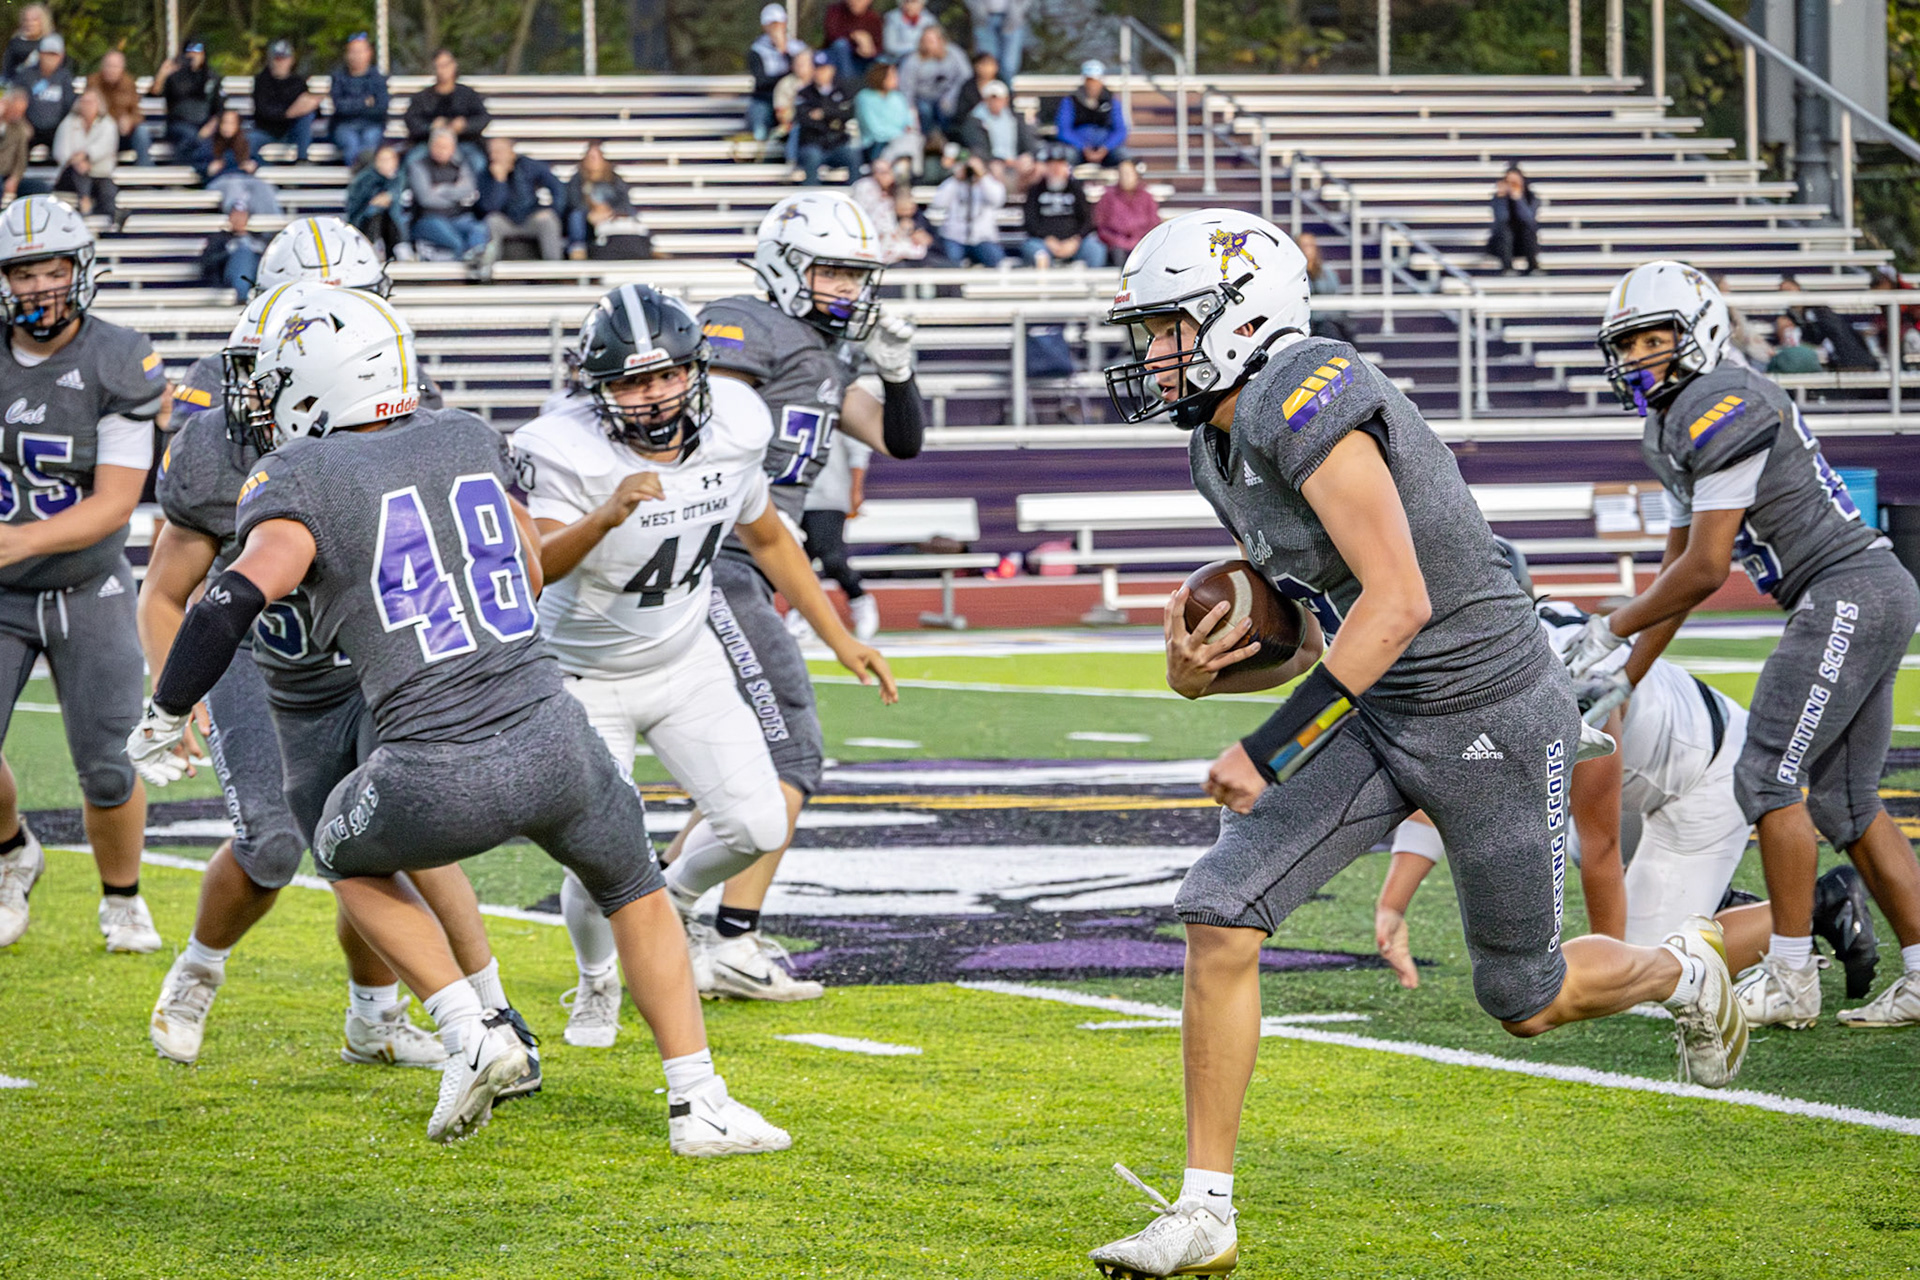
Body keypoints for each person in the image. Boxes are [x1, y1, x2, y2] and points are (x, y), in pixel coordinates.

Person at [1088, 211, 1750, 1277]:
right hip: (1383, 708)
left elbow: (1398, 600)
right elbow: (1319, 636)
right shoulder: (1216, 447)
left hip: (1493, 707)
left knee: (1524, 998)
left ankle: (1682, 969)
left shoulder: (1307, 391)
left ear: (1241, 315)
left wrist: (1268, 748)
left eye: (1169, 327)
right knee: (1220, 905)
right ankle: (1205, 1210)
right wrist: (1206, 674)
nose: (1153, 352)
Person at [126, 286, 790, 1153]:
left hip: (433, 765)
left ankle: (468, 1029)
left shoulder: (299, 475)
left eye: (277, 378)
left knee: (339, 850)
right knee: (636, 890)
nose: (263, 397)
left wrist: (168, 706)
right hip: (559, 737)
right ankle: (699, 1101)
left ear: (320, 382)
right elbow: (530, 565)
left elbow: (229, 601)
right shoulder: (468, 435)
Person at [139, 281, 537, 1086]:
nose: (252, 397)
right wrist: (171, 695)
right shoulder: (217, 449)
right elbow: (168, 593)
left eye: (271, 377)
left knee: (404, 828)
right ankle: (199, 969)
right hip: (261, 662)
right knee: (274, 844)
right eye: (254, 373)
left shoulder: (404, 423)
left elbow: (513, 557)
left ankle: (423, 1016)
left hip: (372, 658)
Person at [516, 285, 896, 1040]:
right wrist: (606, 515)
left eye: (666, 375)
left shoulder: (736, 422)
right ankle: (596, 981)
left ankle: (673, 900)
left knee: (757, 824)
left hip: (685, 661)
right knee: (604, 852)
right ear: (596, 388)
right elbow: (535, 568)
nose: (654, 396)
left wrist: (838, 635)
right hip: (582, 676)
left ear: (696, 369)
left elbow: (769, 537)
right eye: (631, 382)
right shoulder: (559, 447)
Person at [1572, 260, 1920, 1030]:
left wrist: (1611, 627)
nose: (1638, 358)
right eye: (1627, 345)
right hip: (1862, 589)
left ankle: (1791, 975)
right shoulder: (1674, 422)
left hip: (1843, 590)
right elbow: (1677, 573)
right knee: (1845, 801)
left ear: (1698, 330)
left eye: (1653, 340)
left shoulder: (1721, 401)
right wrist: (1626, 676)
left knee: (1766, 776)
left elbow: (1705, 569)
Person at [1374, 580, 1882, 999]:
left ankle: (1819, 904)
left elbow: (1603, 843)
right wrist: (1392, 906)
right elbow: (1446, 791)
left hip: (1706, 774)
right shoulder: (1493, 665)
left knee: (1648, 963)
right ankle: (1718, 902)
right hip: (1648, 774)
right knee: (1554, 832)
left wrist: (1610, 965)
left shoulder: (1564, 680)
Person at [685, 192, 927, 998]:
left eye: (858, 275)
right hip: (716, 556)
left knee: (743, 761)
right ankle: (730, 938)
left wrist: (898, 372)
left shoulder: (824, 354)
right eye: (833, 271)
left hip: (751, 561)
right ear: (785, 266)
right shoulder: (743, 325)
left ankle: (664, 915)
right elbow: (707, 437)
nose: (849, 289)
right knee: (789, 751)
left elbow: (899, 440)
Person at [0, 197, 165, 955]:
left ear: (80, 271)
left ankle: (122, 900)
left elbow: (115, 503)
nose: (39, 286)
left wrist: (16, 542)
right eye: (22, 272)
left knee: (107, 765)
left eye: (53, 270)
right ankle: (13, 852)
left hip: (88, 586)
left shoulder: (116, 357)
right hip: (3, 594)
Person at [802, 435, 878, 640]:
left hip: (828, 496)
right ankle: (801, 612)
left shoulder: (837, 415)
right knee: (796, 560)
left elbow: (858, 450)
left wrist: (855, 490)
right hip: (791, 494)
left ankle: (858, 598)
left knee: (832, 558)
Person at [477, 136, 566, 264]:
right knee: (491, 221)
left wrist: (552, 209)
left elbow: (557, 187)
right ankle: (490, 267)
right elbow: (489, 207)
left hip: (531, 217)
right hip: (505, 220)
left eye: (498, 152)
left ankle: (554, 267)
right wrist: (499, 181)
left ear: (510, 151)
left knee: (548, 220)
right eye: (491, 152)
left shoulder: (529, 165)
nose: (494, 156)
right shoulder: (485, 173)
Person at [407, 126, 488, 263]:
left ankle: (478, 263)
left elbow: (468, 190)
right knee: (456, 241)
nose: (441, 150)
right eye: (438, 146)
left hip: (457, 217)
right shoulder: (418, 166)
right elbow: (426, 199)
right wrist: (456, 195)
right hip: (429, 218)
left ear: (453, 148)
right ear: (431, 147)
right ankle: (462, 270)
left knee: (479, 229)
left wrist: (441, 189)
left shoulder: (460, 166)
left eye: (445, 147)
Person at [1021, 144, 1104, 267]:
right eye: (1052, 165)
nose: (1056, 169)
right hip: (1044, 242)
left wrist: (1075, 240)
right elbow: (1030, 221)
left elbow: (1087, 219)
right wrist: (1047, 239)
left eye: (1060, 165)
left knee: (1095, 249)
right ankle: (1045, 278)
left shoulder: (1076, 189)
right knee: (1034, 250)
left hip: (1075, 242)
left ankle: (1093, 279)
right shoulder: (1035, 190)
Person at [402, 49, 488, 161]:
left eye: (445, 65)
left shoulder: (468, 94)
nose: (442, 70)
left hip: (463, 142)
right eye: (438, 66)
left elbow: (483, 118)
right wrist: (431, 127)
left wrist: (465, 125)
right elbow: (411, 121)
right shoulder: (422, 97)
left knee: (478, 161)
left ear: (454, 66)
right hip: (428, 143)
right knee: (412, 159)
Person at [930, 147, 1006, 267]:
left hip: (983, 239)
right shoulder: (953, 184)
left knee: (996, 259)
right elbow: (938, 203)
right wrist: (956, 178)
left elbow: (997, 200)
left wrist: (981, 176)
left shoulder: (989, 183)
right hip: (954, 238)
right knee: (949, 263)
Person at [153, 39, 222, 170]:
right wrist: (163, 73)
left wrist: (209, 128)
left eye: (198, 52)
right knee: (191, 137)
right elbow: (155, 92)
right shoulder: (175, 76)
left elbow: (219, 110)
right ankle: (197, 170)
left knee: (206, 141)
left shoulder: (211, 78)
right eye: (190, 52)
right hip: (178, 124)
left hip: (204, 125)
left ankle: (181, 171)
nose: (193, 55)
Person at [53, 91, 120, 224]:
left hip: (98, 173)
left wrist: (86, 156)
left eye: (90, 102)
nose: (86, 106)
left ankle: (112, 218)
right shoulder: (68, 123)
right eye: (83, 102)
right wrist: (76, 161)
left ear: (98, 105)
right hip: (70, 174)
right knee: (79, 171)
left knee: (107, 187)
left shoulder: (108, 124)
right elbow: (60, 151)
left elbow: (105, 147)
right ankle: (84, 200)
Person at [248, 39, 319, 163]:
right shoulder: (261, 81)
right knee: (247, 143)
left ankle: (302, 161)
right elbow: (263, 111)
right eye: (277, 59)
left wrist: (312, 103)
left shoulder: (298, 82)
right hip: (266, 131)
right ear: (270, 60)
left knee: (307, 115)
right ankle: (264, 170)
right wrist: (288, 113)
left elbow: (314, 110)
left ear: (291, 60)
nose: (280, 63)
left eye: (284, 59)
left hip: (292, 133)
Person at [958, 79, 1035, 190]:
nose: (995, 102)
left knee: (1032, 166)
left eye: (999, 99)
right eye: (992, 99)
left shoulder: (1015, 118)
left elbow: (1027, 143)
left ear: (1006, 100)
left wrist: (1024, 157)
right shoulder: (975, 120)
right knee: (996, 170)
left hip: (1015, 159)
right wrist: (1002, 160)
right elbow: (978, 147)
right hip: (991, 161)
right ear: (985, 100)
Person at [747, 5, 809, 143]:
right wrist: (784, 78)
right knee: (759, 126)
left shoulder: (797, 47)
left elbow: (804, 73)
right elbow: (761, 81)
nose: (776, 29)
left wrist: (784, 52)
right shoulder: (757, 50)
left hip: (792, 98)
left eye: (779, 24)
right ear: (764, 26)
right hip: (766, 98)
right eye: (772, 25)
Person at [792, 57, 858, 186]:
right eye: (817, 69)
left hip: (836, 142)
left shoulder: (843, 91)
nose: (819, 73)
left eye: (823, 69)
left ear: (831, 70)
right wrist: (833, 117)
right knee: (812, 156)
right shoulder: (804, 93)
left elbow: (848, 113)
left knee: (852, 154)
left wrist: (824, 113)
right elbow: (805, 119)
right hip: (813, 143)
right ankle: (810, 193)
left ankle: (857, 192)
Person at [564, 142, 635, 259]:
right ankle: (577, 247)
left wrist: (610, 213)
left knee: (633, 214)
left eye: (596, 157)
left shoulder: (614, 179)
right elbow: (573, 201)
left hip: (610, 215)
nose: (593, 161)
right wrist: (590, 213)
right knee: (576, 216)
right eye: (590, 157)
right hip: (587, 217)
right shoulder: (577, 179)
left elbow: (623, 201)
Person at [328, 32, 389, 168]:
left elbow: (381, 109)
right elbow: (339, 107)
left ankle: (361, 178)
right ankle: (361, 178)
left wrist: (352, 105)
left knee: (369, 143)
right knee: (351, 144)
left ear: (369, 54)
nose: (356, 56)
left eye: (360, 52)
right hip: (344, 126)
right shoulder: (338, 78)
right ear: (346, 55)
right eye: (353, 52)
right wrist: (364, 102)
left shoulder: (378, 79)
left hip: (372, 125)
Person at [899, 24, 969, 139]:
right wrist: (910, 109)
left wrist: (950, 96)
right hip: (923, 98)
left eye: (931, 41)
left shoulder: (955, 53)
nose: (927, 45)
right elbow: (907, 87)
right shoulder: (912, 60)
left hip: (949, 95)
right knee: (925, 110)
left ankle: (947, 138)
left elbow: (966, 76)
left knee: (948, 109)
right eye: (924, 41)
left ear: (941, 41)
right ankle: (928, 139)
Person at [204, 110, 280, 213]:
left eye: (231, 123)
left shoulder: (246, 143)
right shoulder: (209, 144)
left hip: (244, 177)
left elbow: (260, 161)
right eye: (225, 123)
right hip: (221, 180)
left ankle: (271, 219)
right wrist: (208, 169)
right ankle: (237, 215)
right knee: (234, 186)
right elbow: (198, 164)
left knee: (262, 187)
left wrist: (254, 166)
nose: (227, 127)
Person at [1055, 61, 1128, 166]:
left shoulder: (1112, 101)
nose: (1092, 85)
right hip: (1077, 148)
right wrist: (1083, 147)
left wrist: (1106, 147)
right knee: (1064, 159)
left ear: (1101, 81)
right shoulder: (1071, 101)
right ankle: (1066, 177)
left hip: (1107, 148)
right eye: (1089, 81)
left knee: (1124, 158)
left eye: (1095, 81)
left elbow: (1120, 130)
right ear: (1084, 81)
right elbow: (1064, 130)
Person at [346, 143, 410, 259]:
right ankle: (372, 247)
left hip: (395, 221)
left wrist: (390, 197)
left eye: (389, 159)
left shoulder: (401, 178)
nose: (386, 163)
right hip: (363, 220)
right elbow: (355, 207)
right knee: (376, 212)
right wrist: (376, 202)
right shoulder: (364, 179)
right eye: (382, 160)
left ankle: (398, 247)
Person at [13, 33, 73, 152]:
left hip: (56, 129)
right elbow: (16, 101)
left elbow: (70, 104)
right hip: (29, 127)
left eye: (54, 55)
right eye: (47, 53)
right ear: (40, 54)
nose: (50, 58)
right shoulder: (26, 75)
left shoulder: (65, 77)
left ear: (61, 57)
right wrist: (22, 123)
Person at [93, 51, 153, 167]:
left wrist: (130, 121)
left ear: (122, 69)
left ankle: (145, 171)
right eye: (108, 66)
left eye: (115, 67)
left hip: (123, 134)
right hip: (101, 134)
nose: (111, 70)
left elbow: (138, 114)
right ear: (102, 67)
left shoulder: (129, 83)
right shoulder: (93, 83)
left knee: (142, 131)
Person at [854, 62, 920, 166]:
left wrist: (901, 135)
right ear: (881, 77)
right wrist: (897, 135)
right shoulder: (864, 98)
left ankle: (900, 169)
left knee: (912, 140)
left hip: (899, 141)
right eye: (892, 76)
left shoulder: (898, 97)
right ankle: (898, 170)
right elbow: (874, 129)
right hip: (875, 143)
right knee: (904, 146)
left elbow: (908, 122)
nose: (897, 79)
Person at [198, 202, 265, 304]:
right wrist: (228, 252)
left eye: (242, 216)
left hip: (255, 274)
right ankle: (243, 298)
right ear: (230, 218)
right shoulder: (219, 239)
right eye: (235, 216)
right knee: (242, 254)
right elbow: (207, 263)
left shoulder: (258, 238)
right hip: (228, 274)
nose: (238, 220)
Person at [1093, 158, 1158, 262]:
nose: (1125, 177)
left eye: (1128, 174)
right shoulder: (1108, 197)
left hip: (1141, 242)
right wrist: (1117, 241)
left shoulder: (1147, 197)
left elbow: (1153, 224)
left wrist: (1137, 240)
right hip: (1115, 244)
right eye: (1122, 174)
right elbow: (1101, 226)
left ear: (1136, 175)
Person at [1298, 230, 1354, 345]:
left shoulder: (1328, 273)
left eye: (1310, 245)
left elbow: (1333, 294)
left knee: (1331, 329)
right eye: (1304, 245)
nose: (1307, 249)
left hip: (1328, 321)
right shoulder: (1295, 274)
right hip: (1308, 322)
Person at [1488, 165, 1539, 275]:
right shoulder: (1499, 198)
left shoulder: (1531, 197)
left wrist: (1518, 200)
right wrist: (1502, 199)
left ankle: (1533, 267)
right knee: (1505, 231)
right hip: (1502, 243)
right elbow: (1501, 219)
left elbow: (1529, 220)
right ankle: (1507, 267)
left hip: (1523, 242)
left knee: (1528, 231)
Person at [822, 0, 882, 87]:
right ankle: (848, 85)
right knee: (840, 45)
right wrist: (855, 37)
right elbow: (832, 35)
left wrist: (869, 49)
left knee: (881, 60)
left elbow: (879, 46)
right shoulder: (835, 11)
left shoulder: (873, 18)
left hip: (863, 59)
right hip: (838, 56)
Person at [966, 0, 1030, 83]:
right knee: (986, 65)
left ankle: (1006, 89)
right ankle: (987, 90)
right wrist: (977, 9)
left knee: (1008, 66)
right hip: (983, 20)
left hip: (1013, 20)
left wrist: (1018, 10)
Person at [0, 88, 38, 200]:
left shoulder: (19, 127)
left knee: (40, 188)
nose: (17, 116)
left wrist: (15, 178)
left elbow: (21, 157)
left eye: (21, 112)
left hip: (7, 174)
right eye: (15, 111)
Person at [1, 5, 48, 82]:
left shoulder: (50, 44)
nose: (30, 24)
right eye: (26, 20)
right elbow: (7, 71)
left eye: (34, 20)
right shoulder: (16, 44)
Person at [952, 50, 999, 123]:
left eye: (990, 64)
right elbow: (961, 112)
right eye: (983, 64)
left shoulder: (1001, 85)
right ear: (976, 66)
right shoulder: (968, 87)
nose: (986, 68)